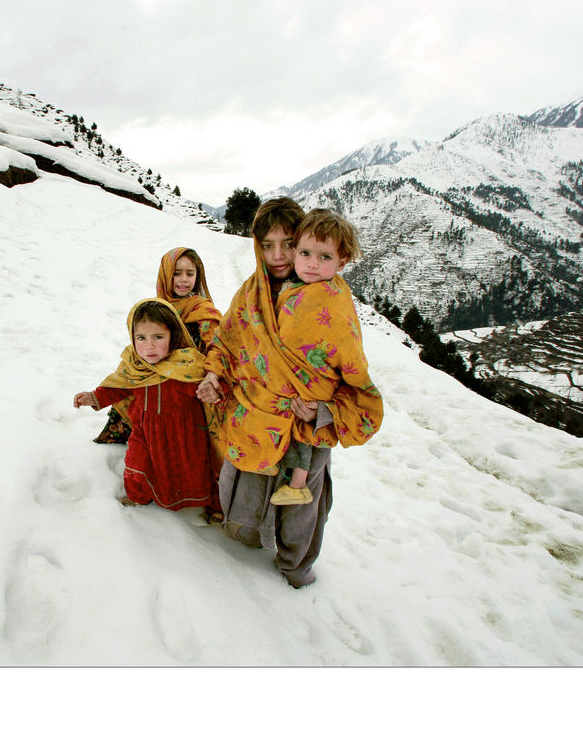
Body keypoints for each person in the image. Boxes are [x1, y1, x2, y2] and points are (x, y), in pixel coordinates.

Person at [197, 200, 384, 588]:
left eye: (287, 243)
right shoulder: (252, 294)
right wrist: (214, 374)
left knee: (300, 504)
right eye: (268, 245)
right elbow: (228, 342)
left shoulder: (330, 302)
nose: (278, 255)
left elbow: (354, 378)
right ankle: (241, 548)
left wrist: (325, 409)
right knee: (245, 489)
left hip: (306, 424)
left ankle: (295, 565)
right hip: (255, 417)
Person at [74, 298, 219, 515]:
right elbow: (120, 386)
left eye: (158, 337)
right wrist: (94, 397)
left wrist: (209, 392)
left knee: (188, 471)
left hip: (183, 434)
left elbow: (201, 387)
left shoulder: (186, 365)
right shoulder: (134, 364)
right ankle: (138, 496)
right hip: (145, 428)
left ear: (173, 336)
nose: (149, 346)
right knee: (137, 463)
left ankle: (200, 505)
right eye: (141, 338)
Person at [92, 247, 223, 444]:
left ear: (198, 275)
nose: (183, 280)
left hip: (188, 381)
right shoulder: (157, 308)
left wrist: (212, 373)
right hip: (154, 373)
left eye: (190, 273)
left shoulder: (202, 309)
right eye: (176, 273)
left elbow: (217, 344)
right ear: (165, 274)